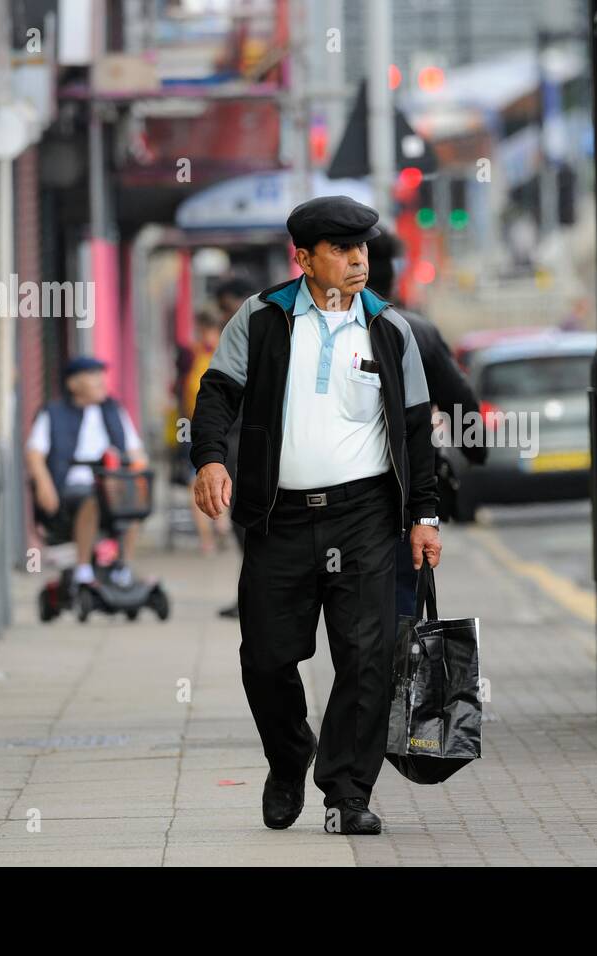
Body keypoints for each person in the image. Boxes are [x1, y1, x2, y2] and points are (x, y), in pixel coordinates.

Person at [189, 195, 441, 836]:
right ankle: (288, 754)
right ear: (302, 258)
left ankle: (348, 792)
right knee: (267, 658)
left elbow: (415, 431)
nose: (358, 260)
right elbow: (217, 393)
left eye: (362, 248)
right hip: (278, 518)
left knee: (368, 657)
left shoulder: (389, 330)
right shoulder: (264, 318)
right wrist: (211, 460)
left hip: (365, 517)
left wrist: (424, 516)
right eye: (340, 249)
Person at [365, 226, 487, 617]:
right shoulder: (417, 330)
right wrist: (475, 449)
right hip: (404, 498)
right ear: (394, 275)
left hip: (337, 503)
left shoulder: (321, 332)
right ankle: (395, 674)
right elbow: (460, 402)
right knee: (402, 606)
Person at [26, 357, 149, 589]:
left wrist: (138, 469)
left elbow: (135, 450)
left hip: (111, 483)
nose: (101, 382)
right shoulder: (53, 413)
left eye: (101, 375)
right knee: (91, 497)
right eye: (93, 376)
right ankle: (83, 569)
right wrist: (44, 484)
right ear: (73, 384)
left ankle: (123, 566)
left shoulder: (113, 410)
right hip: (71, 487)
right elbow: (34, 453)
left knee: (132, 498)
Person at [210, 276, 259, 619]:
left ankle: (258, 598)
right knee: (244, 524)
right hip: (238, 441)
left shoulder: (255, 332)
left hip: (248, 442)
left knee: (250, 523)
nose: (225, 315)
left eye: (228, 307)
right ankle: (252, 597)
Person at [184, 306, 234, 555]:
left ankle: (219, 526)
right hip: (195, 428)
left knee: (206, 480)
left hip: (214, 428)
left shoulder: (224, 352)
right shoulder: (194, 354)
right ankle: (214, 532)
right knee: (199, 481)